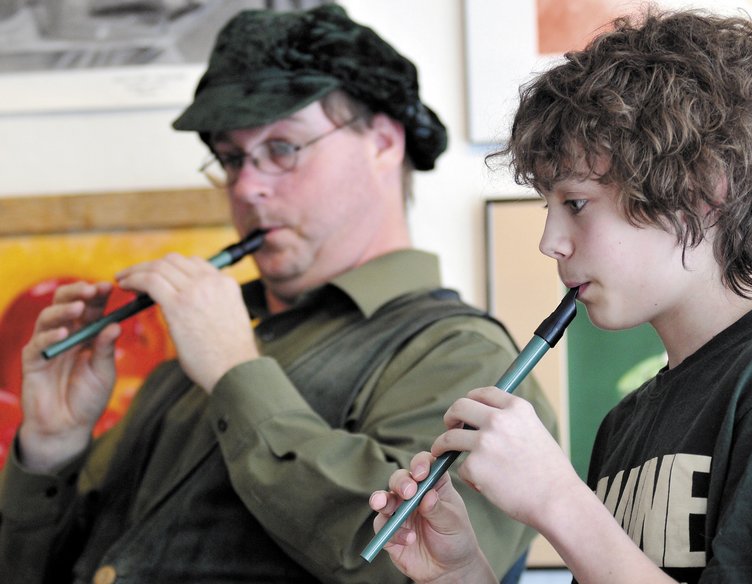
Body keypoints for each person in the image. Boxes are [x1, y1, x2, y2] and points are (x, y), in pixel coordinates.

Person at [0, 5, 557, 584]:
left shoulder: (469, 358)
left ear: (383, 142)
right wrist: (51, 444)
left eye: (282, 148)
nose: (247, 187)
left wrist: (235, 372)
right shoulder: (214, 334)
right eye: (232, 158)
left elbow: (399, 569)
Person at [369, 8, 752, 584]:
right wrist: (461, 572)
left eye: (575, 203)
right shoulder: (625, 423)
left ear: (702, 188)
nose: (550, 243)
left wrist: (558, 501)